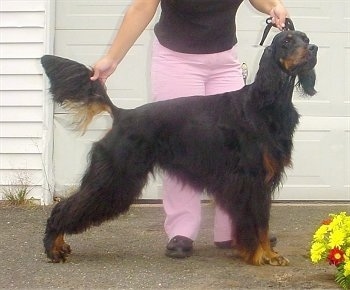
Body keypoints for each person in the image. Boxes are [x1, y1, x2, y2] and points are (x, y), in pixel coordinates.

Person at [91, 0, 289, 259]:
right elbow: (142, 7)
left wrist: (274, 5)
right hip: (177, 60)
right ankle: (182, 230)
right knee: (179, 147)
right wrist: (112, 58)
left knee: (236, 156)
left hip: (225, 61)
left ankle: (232, 231)